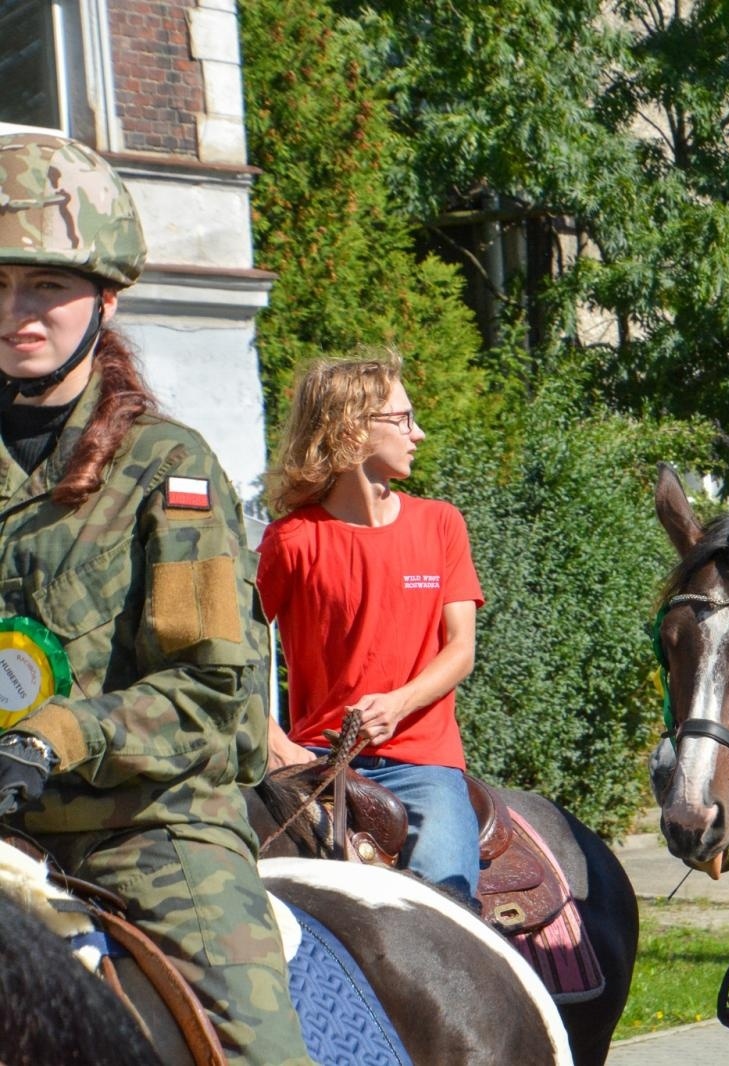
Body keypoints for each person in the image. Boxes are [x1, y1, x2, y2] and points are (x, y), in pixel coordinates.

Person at [0, 133, 312, 1063]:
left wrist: (57, 734)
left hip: (143, 834)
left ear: (106, 296)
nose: (17, 313)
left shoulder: (168, 471)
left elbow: (212, 698)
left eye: (46, 287)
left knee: (256, 1050)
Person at [257, 354, 485, 907]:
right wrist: (274, 742)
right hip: (315, 763)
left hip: (424, 765)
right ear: (352, 428)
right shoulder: (290, 541)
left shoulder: (441, 524)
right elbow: (229, 652)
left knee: (447, 904)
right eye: (402, 420)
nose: (418, 433)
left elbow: (461, 650)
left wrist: (399, 704)